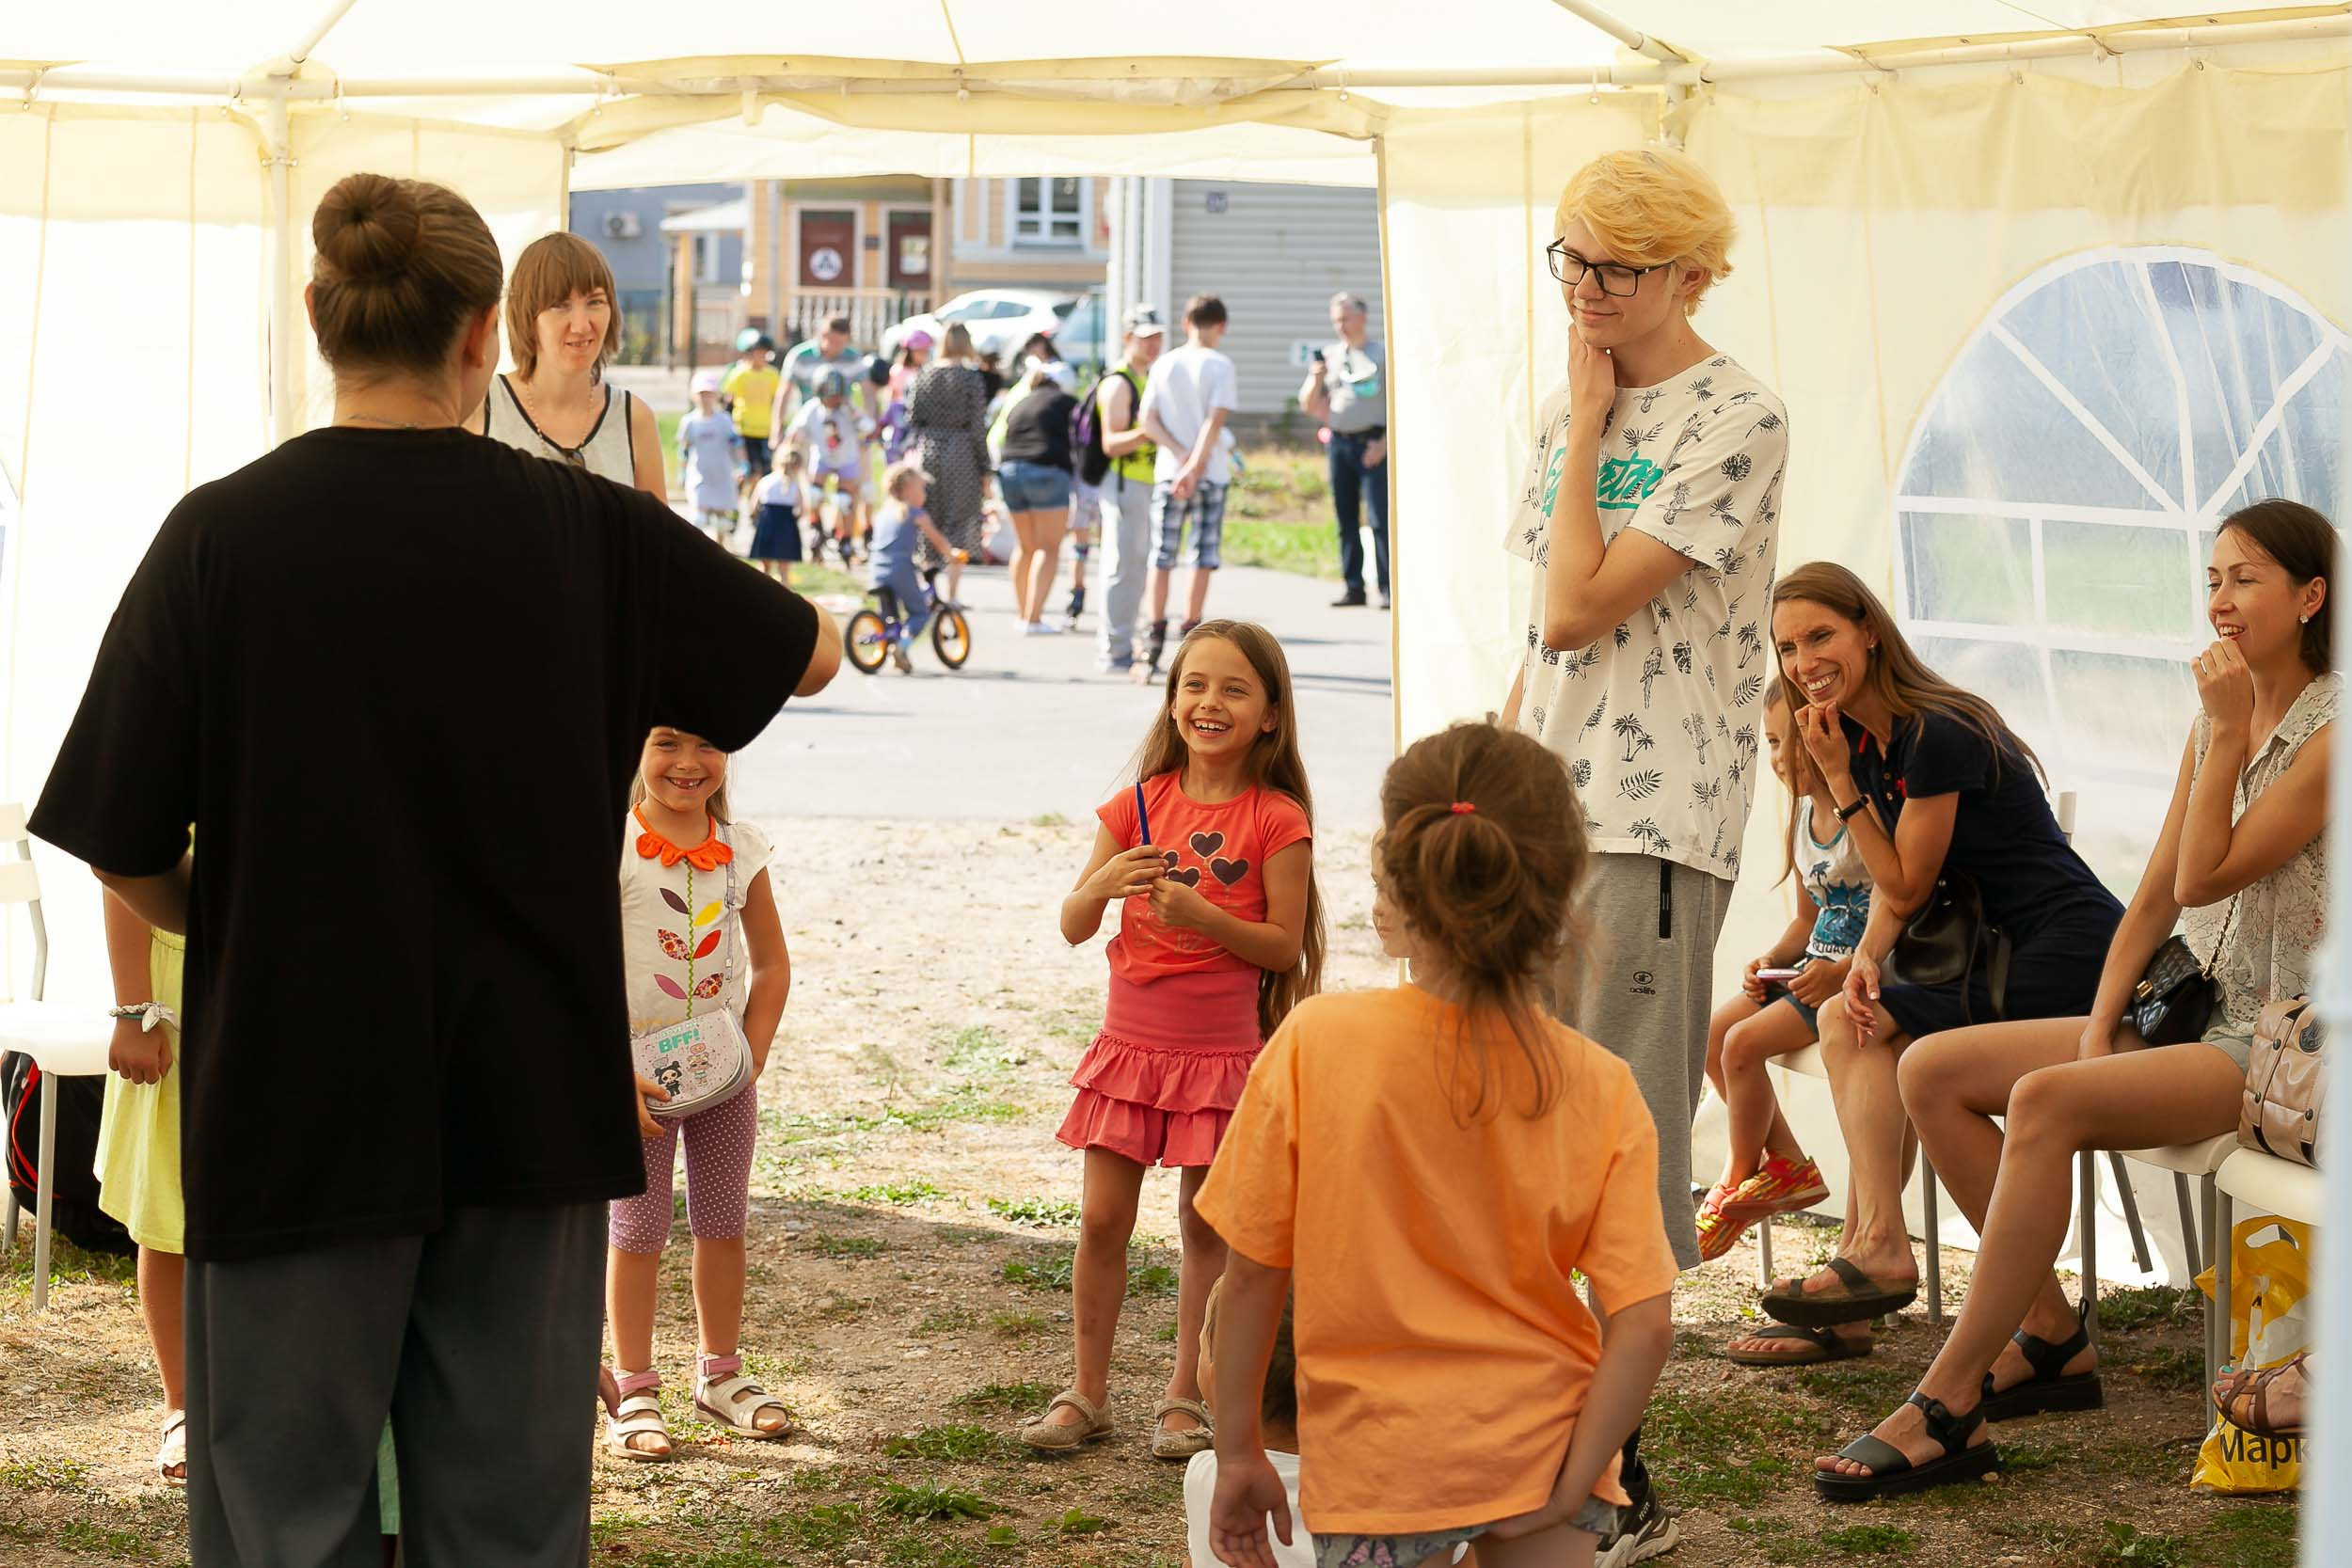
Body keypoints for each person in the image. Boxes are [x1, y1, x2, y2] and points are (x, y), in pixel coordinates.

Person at [27, 170, 838, 1565]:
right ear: (481, 335)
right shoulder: (584, 530)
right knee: (506, 1522)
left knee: (284, 1523)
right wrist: (640, 558)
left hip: (289, 1087)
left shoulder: (220, 534)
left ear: (316, 315)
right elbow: (809, 649)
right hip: (524, 1093)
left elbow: (120, 830)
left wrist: (226, 916)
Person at [1815, 502, 2334, 1499]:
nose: (2221, 602)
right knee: (1930, 1069)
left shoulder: (2328, 730)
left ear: (2311, 597)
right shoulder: (2215, 721)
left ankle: (1947, 1400)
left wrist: (2230, 732)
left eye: (2247, 579)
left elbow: (2206, 872)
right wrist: (2101, 1022)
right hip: (2186, 1008)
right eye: (2213, 580)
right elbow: (2153, 894)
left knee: (2044, 1100)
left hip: (2281, 1045)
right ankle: (2049, 1330)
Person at [1497, 146, 1788, 1564]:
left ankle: (1614, 1478)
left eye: (1618, 265)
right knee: (1511, 1126)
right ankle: (1536, 1448)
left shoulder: (1739, 413)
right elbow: (1535, 642)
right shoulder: (1573, 401)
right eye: (1572, 257)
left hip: (1651, 820)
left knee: (1620, 1143)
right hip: (1542, 813)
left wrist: (1594, 424)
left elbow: (1578, 607)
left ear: (1693, 274)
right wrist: (1481, 787)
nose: (1588, 287)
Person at [1198, 721, 1676, 1568]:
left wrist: (1238, 1450)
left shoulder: (1316, 1041)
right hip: (1545, 1444)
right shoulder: (1603, 1084)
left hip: (1381, 1455)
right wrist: (1576, 1480)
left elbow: (1252, 1276)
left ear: (1397, 879)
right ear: (1563, 883)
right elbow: (1641, 1322)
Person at [1747, 562, 2122, 1354]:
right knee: (1856, 1020)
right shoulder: (1868, 735)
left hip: (2062, 950)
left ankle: (1879, 1253)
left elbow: (1907, 883)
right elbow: (1899, 885)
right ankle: (1891, 1264)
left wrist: (1841, 779)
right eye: (1787, 647)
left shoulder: (1935, 730)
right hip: (1992, 954)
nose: (1804, 661)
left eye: (1820, 635)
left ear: (1869, 630)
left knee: (1868, 1032)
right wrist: (1866, 960)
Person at [1021, 622, 1324, 1460]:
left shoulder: (1277, 818)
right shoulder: (1139, 804)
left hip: (1221, 1060)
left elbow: (1283, 946)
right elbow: (1073, 924)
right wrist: (1102, 884)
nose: (1209, 702)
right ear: (1172, 698)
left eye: (1233, 688)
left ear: (1270, 714)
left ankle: (1185, 1394)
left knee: (1205, 1230)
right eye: (1194, 684)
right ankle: (1086, 1390)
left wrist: (1203, 915)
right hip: (1129, 1050)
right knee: (1100, 1219)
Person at [600, 728, 796, 1461]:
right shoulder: (613, 846)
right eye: (667, 743)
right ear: (636, 748)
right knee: (636, 1232)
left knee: (722, 1223)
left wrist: (752, 1055)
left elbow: (772, 964)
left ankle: (721, 1375)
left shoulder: (740, 849)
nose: (688, 763)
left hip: (723, 1078)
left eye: (708, 745)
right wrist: (607, 1071)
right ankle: (634, 1386)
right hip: (635, 1082)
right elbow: (581, 966)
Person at [1694, 680, 1867, 1302]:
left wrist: (1840, 971)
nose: (1777, 757)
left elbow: (1891, 912)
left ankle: (1739, 1177)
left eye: (1787, 741)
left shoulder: (1860, 813)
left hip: (1847, 982)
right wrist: (1772, 958)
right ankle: (1787, 1163)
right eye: (1769, 742)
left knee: (1740, 1045)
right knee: (1712, 1034)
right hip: (1808, 971)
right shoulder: (1799, 819)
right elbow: (1806, 918)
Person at [94, 880, 189, 1484]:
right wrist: (135, 1011)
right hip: (180, 991)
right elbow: (121, 866)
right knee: (171, 1206)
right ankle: (182, 1406)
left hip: (295, 981)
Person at [471, 230, 666, 498]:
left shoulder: (634, 419)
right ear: (527, 316)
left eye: (595, 302)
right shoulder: (482, 407)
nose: (581, 325)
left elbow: (656, 526)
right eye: (560, 305)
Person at [1138, 296, 1240, 676]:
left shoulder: (1164, 364)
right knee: (1202, 553)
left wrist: (1180, 458)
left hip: (1170, 470)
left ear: (1186, 323)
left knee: (1161, 554)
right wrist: (1196, 466)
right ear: (1221, 326)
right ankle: (1190, 630)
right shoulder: (1220, 365)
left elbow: (1148, 420)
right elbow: (1214, 422)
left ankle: (1154, 634)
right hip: (1209, 473)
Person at [1297, 292, 1390, 610]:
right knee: (1345, 518)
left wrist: (1385, 443)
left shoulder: (1381, 354)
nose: (1341, 326)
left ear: (1362, 318)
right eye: (1336, 320)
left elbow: (1399, 401)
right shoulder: (1330, 356)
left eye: (1346, 318)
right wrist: (1315, 379)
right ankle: (1353, 587)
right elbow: (1309, 405)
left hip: (1374, 444)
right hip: (1340, 443)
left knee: (1379, 518)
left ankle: (1387, 587)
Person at [1091, 306, 1168, 673]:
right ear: (1127, 338)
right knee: (1121, 565)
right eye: (1145, 338)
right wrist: (1148, 431)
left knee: (1139, 565)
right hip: (1124, 484)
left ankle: (1125, 641)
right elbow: (1111, 443)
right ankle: (1114, 649)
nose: (1153, 345)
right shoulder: (1118, 383)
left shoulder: (1149, 377)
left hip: (1148, 482)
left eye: (1157, 338)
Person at [906, 323, 993, 604]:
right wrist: (985, 466)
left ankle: (929, 590)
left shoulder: (925, 373)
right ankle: (952, 594)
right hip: (961, 452)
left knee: (929, 516)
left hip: (929, 448)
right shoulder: (970, 378)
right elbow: (977, 425)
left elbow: (912, 416)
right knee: (960, 522)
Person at [993, 358, 1080, 635]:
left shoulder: (1022, 401)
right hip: (1046, 471)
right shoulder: (1067, 402)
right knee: (1048, 547)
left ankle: (1023, 615)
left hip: (1009, 471)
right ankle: (1033, 619)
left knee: (1025, 546)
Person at [868, 460, 963, 673]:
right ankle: (901, 648)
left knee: (889, 616)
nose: (925, 494)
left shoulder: (884, 513)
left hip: (877, 569)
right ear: (908, 490)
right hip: (899, 569)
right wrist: (951, 554)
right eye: (922, 489)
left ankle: (890, 645)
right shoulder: (914, 513)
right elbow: (937, 540)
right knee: (920, 612)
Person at [787, 368, 872, 562]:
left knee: (845, 500)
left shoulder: (848, 409)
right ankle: (816, 528)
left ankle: (846, 539)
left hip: (847, 459)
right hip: (823, 458)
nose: (833, 400)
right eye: (830, 396)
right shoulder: (813, 408)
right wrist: (789, 447)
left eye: (836, 396)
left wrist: (853, 411)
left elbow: (868, 427)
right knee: (814, 494)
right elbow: (795, 430)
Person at [679, 370, 745, 540]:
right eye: (702, 394)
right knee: (698, 520)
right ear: (694, 395)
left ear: (716, 395)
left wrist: (742, 465)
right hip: (700, 475)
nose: (705, 398)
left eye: (709, 394)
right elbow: (684, 449)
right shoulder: (689, 422)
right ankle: (698, 551)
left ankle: (719, 549)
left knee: (721, 523)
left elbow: (736, 445)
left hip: (722, 475)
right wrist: (682, 472)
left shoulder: (724, 420)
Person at [772, 313, 866, 432]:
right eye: (833, 341)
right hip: (809, 426)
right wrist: (777, 429)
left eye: (841, 343)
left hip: (843, 426)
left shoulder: (854, 358)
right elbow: (784, 392)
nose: (837, 347)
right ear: (823, 335)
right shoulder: (799, 357)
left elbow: (868, 391)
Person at [721, 330, 780, 505]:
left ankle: (754, 503)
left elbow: (776, 400)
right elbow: (728, 399)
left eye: (764, 353)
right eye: (757, 353)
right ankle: (735, 501)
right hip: (744, 429)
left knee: (765, 470)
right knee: (746, 470)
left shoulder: (772, 374)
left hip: (765, 429)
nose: (761, 357)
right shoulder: (739, 373)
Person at [747, 447, 809, 583]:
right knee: (784, 571)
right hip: (787, 527)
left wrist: (756, 519)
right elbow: (802, 510)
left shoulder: (765, 481)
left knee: (764, 568)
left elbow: (753, 506)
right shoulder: (794, 485)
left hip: (767, 524)